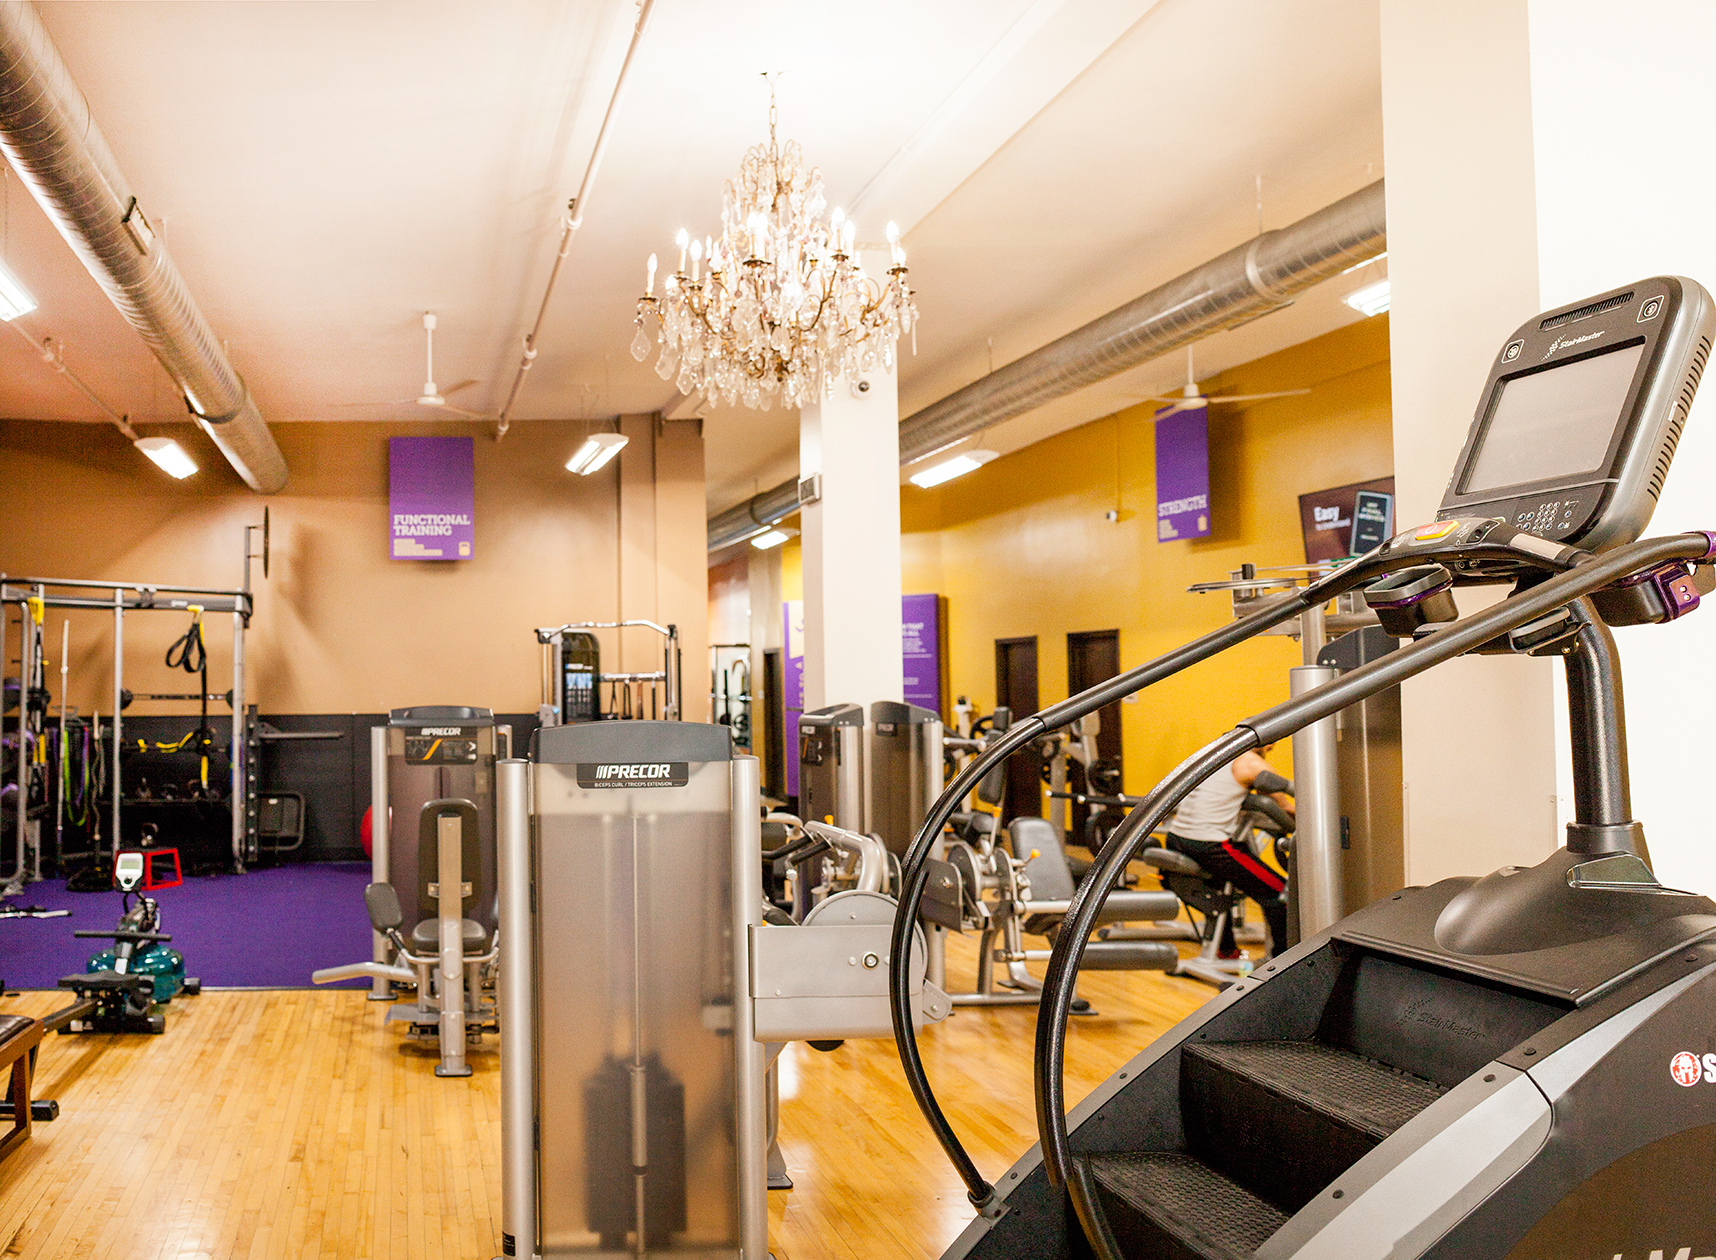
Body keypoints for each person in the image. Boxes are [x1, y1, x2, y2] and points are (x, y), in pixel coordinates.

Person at [1163, 745, 1294, 957]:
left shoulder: (1215, 755)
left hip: (1177, 838)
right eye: (1271, 745)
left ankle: (1226, 950)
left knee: (1219, 889)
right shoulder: (1250, 761)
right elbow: (1284, 806)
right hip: (1210, 844)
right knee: (1279, 892)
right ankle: (1284, 960)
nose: (1271, 749)